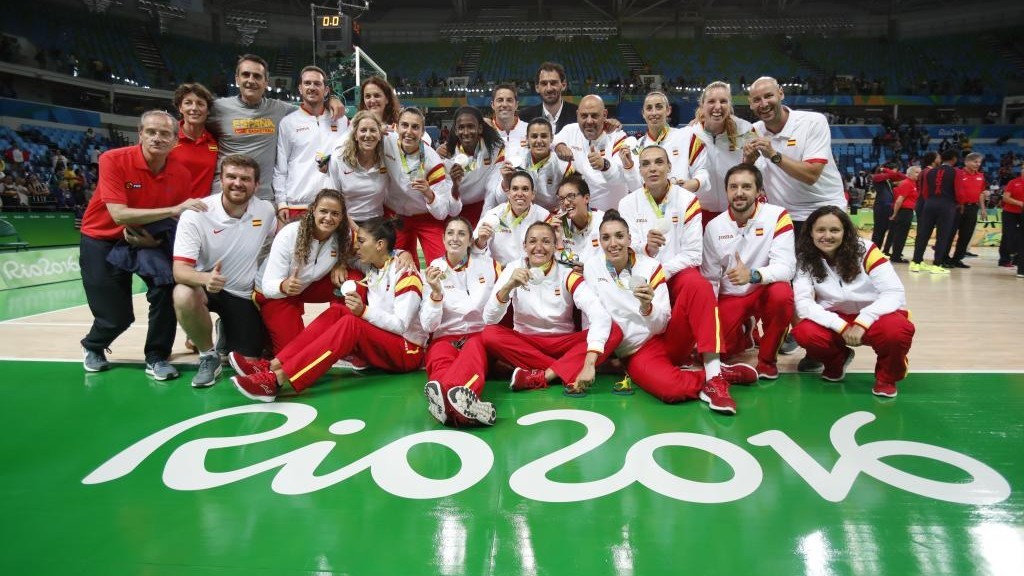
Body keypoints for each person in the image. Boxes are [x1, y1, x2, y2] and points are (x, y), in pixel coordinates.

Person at [230, 216, 427, 402]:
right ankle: (272, 365)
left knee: (352, 323)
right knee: (338, 311)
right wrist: (342, 263)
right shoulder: (374, 264)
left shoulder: (405, 274)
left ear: (380, 245)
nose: (356, 246)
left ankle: (276, 380)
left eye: (362, 241)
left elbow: (401, 325)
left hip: (408, 350)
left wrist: (364, 312)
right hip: (383, 340)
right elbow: (348, 258)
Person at [584, 211, 756, 414]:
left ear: (630, 238)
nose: (613, 243)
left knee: (698, 286)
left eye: (619, 236)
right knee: (672, 390)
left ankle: (713, 373)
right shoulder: (592, 269)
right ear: (599, 241)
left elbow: (663, 321)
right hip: (637, 350)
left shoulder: (651, 266)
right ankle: (714, 374)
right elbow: (596, 318)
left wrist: (648, 308)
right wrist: (597, 357)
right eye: (606, 237)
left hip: (666, 337)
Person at [78, 110, 205, 377]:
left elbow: (178, 219)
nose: (157, 138)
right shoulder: (113, 159)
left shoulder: (180, 173)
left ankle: (157, 356)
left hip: (146, 239)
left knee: (167, 288)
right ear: (140, 134)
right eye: (151, 132)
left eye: (164, 134)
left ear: (174, 141)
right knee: (117, 317)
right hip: (102, 239)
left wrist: (156, 238)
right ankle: (93, 345)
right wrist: (173, 209)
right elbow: (119, 214)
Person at [618, 146, 734, 389]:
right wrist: (646, 248)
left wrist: (662, 272)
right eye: (646, 164)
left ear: (670, 167)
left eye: (659, 162)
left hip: (675, 274)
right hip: (642, 277)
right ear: (639, 170)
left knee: (698, 284)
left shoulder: (688, 200)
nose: (653, 168)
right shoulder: (628, 203)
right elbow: (626, 248)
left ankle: (714, 373)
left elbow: (693, 255)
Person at [480, 221, 624, 394]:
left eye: (546, 241)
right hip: (527, 343)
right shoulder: (513, 268)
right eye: (532, 241)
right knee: (489, 334)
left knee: (614, 330)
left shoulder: (567, 273)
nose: (539, 247)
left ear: (556, 246)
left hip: (564, 343)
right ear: (524, 246)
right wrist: (509, 286)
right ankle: (568, 370)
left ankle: (544, 376)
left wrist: (590, 362)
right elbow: (489, 319)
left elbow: (598, 314)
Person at [172, 155, 277, 387]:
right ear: (221, 179)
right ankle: (208, 355)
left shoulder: (266, 211)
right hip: (206, 288)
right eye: (231, 176)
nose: (237, 183)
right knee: (182, 293)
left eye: (245, 178)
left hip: (240, 294)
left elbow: (273, 238)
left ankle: (226, 331)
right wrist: (206, 278)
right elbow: (179, 271)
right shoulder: (196, 214)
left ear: (256, 184)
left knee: (248, 360)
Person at [792, 206, 915, 398]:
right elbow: (804, 304)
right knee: (804, 332)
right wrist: (841, 326)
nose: (827, 236)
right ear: (810, 232)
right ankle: (837, 361)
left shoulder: (867, 250)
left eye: (834, 230)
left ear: (845, 232)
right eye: (820, 230)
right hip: (837, 319)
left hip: (875, 317)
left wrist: (862, 321)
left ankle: (886, 378)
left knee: (897, 331)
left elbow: (894, 292)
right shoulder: (804, 259)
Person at [701, 164, 796, 380]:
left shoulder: (777, 216)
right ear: (726, 191)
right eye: (733, 187)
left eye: (746, 186)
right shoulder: (714, 226)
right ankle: (745, 331)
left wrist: (753, 275)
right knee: (721, 352)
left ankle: (767, 361)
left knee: (782, 294)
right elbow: (710, 278)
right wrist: (710, 321)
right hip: (732, 294)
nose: (739, 192)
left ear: (759, 191)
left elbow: (786, 268)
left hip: (763, 288)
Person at [207, 54, 345, 201]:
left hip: (262, 197)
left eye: (257, 76)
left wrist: (331, 99)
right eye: (245, 75)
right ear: (237, 79)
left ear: (266, 82)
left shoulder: (280, 110)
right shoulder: (219, 108)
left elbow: (310, 108)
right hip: (224, 194)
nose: (251, 80)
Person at [421, 217, 501, 427]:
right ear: (443, 238)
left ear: (469, 240)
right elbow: (428, 325)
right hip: (446, 336)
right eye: (450, 233)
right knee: (438, 357)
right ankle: (464, 411)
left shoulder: (489, 266)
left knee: (473, 349)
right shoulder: (432, 271)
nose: (455, 238)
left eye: (461, 234)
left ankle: (445, 402)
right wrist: (436, 294)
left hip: (478, 336)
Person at [254, 188, 352, 355]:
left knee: (352, 282)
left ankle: (344, 338)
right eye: (323, 211)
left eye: (335, 214)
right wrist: (284, 286)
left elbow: (368, 253)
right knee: (293, 353)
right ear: (313, 210)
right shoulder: (289, 234)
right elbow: (268, 285)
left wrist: (341, 264)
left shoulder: (343, 235)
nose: (328, 218)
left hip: (306, 287)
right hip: (275, 294)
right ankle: (263, 335)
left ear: (342, 217)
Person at [743, 76, 847, 226]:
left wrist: (773, 155)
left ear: (781, 93)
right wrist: (748, 162)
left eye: (768, 96)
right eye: (757, 100)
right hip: (783, 217)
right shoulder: (752, 131)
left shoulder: (813, 122)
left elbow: (811, 175)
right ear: (751, 104)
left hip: (825, 212)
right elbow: (749, 179)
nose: (764, 104)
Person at [273, 65, 349, 223]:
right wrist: (281, 202)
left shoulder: (341, 121)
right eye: (307, 83)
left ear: (326, 90)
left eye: (317, 84)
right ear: (300, 88)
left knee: (331, 249)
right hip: (298, 205)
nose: (312, 87)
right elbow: (281, 168)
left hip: (332, 204)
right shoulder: (288, 123)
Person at [382, 106, 454, 265]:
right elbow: (355, 138)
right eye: (404, 125)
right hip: (395, 215)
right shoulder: (385, 142)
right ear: (396, 126)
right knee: (397, 266)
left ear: (422, 132)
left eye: (415, 127)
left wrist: (429, 193)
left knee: (442, 265)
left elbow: (442, 212)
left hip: (427, 217)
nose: (409, 131)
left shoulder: (432, 160)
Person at [692, 81, 756, 225]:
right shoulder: (691, 134)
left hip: (738, 211)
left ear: (730, 105)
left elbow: (760, 170)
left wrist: (749, 163)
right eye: (711, 101)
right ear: (702, 106)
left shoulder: (745, 129)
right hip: (701, 213)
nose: (718, 107)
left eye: (723, 101)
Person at [552, 95, 631, 211]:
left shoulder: (617, 137)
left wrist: (605, 165)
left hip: (612, 216)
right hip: (581, 216)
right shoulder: (571, 130)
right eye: (584, 116)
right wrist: (559, 146)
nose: (589, 121)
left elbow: (620, 177)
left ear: (604, 114)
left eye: (594, 116)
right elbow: (550, 141)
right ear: (577, 114)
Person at [631, 90, 708, 207]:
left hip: (682, 206)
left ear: (668, 110)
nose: (654, 112)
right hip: (650, 208)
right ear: (643, 113)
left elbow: (703, 171)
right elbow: (635, 183)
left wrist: (692, 184)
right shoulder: (637, 146)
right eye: (649, 108)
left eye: (659, 107)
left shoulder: (686, 136)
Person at [487, 117, 572, 213]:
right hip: (523, 213)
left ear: (551, 138)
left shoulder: (564, 166)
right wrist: (506, 180)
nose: (539, 141)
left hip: (552, 216)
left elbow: (570, 199)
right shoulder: (515, 162)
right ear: (527, 138)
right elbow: (500, 200)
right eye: (534, 136)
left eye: (544, 136)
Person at [441, 106, 505, 225]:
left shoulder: (494, 150)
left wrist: (484, 222)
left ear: (480, 128)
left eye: (470, 126)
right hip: (454, 210)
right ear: (455, 130)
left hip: (484, 209)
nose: (465, 132)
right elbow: (448, 202)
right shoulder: (446, 157)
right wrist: (455, 185)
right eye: (461, 127)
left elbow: (492, 190)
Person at [473, 170, 550, 266]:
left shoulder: (544, 217)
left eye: (525, 189)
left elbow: (552, 251)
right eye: (515, 189)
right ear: (508, 193)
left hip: (533, 272)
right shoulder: (494, 214)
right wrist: (481, 241)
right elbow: (473, 250)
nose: (520, 193)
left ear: (533, 194)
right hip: (502, 273)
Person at [327, 110, 388, 224]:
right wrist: (355, 230)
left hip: (376, 221)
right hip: (345, 220)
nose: (368, 135)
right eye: (363, 130)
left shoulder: (387, 158)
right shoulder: (339, 159)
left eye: (373, 130)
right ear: (355, 135)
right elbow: (334, 198)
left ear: (380, 135)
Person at [911, 149, 959, 274]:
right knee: (942, 235)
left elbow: (925, 191)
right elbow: (959, 192)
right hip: (942, 204)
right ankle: (936, 264)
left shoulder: (928, 172)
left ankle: (916, 262)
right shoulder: (953, 172)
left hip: (928, 203)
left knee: (923, 234)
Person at [169, 82, 218, 198]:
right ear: (180, 108)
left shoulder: (215, 140)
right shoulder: (168, 136)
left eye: (200, 104)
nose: (194, 108)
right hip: (170, 211)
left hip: (202, 212)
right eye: (188, 103)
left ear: (208, 110)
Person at [946, 152, 988, 268]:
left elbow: (980, 193)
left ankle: (957, 259)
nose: (977, 164)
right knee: (950, 234)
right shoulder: (958, 174)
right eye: (975, 162)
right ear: (966, 162)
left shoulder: (981, 176)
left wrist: (983, 209)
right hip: (958, 207)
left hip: (973, 208)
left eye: (979, 162)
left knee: (966, 235)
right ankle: (944, 258)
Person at [552, 174, 603, 268]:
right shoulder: (559, 225)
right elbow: (560, 266)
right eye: (562, 199)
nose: (566, 203)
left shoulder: (603, 222)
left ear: (586, 198)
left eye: (571, 196)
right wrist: (557, 239)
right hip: (570, 278)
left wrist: (586, 270)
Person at [518, 62, 579, 134]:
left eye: (553, 83)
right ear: (537, 87)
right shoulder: (524, 117)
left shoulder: (578, 115)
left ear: (563, 85)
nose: (549, 89)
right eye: (544, 83)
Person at [886, 165, 921, 264]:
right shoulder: (907, 184)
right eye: (916, 172)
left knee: (902, 235)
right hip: (904, 212)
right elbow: (899, 200)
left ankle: (896, 254)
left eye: (919, 172)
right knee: (900, 235)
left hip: (908, 211)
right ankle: (895, 256)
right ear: (909, 173)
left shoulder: (913, 184)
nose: (919, 174)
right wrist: (894, 214)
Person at [869, 163, 907, 250]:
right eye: (895, 169)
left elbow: (904, 177)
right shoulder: (877, 177)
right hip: (881, 207)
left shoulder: (888, 180)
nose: (896, 172)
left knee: (883, 231)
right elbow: (893, 174)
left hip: (888, 207)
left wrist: (889, 171)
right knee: (878, 231)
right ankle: (872, 251)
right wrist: (885, 170)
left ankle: (878, 251)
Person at [487, 83, 527, 152]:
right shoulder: (485, 132)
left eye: (509, 100)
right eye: (500, 100)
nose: (504, 104)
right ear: (492, 105)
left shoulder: (528, 130)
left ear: (516, 105)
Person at [999, 169, 1024, 274]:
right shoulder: (1013, 182)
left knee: (1021, 236)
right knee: (1008, 235)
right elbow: (1005, 198)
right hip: (1010, 212)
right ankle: (1004, 260)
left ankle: (1019, 260)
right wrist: (1020, 203)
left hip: (1022, 213)